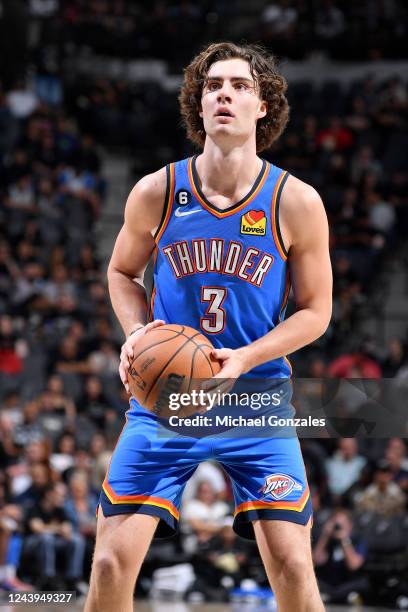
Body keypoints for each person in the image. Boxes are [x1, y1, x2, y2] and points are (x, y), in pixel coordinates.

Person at [85, 42, 332, 612]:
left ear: (263, 106)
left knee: (294, 567)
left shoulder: (295, 201)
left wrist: (244, 358)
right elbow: (122, 271)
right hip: (168, 398)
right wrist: (136, 334)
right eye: (212, 85)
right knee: (108, 564)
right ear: (198, 106)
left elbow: (316, 313)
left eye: (240, 85)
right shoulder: (158, 191)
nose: (224, 93)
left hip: (255, 398)